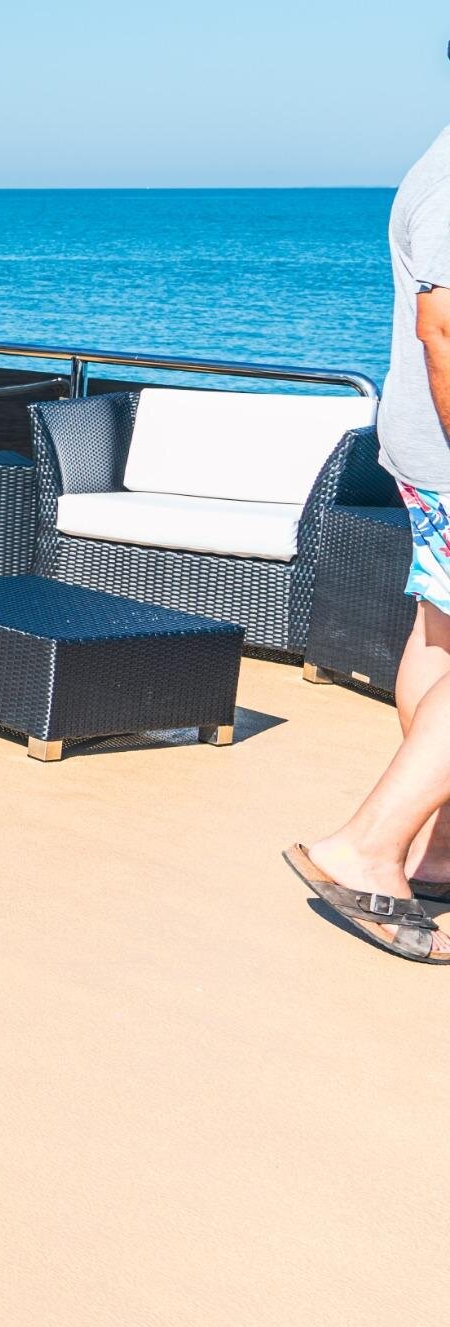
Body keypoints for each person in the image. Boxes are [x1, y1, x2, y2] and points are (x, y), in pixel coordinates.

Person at [289, 124, 450, 958]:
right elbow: (442, 329)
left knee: (440, 635)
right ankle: (368, 846)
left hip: (429, 450)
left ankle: (436, 849)